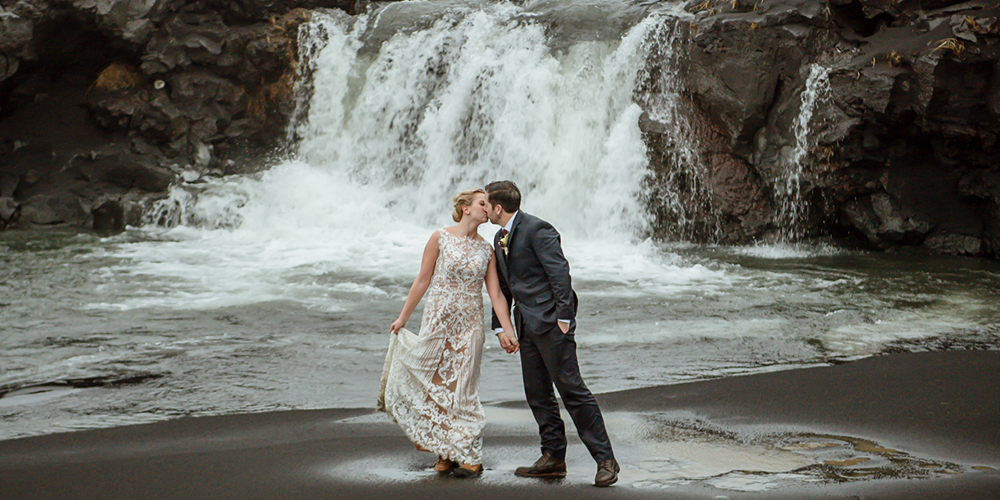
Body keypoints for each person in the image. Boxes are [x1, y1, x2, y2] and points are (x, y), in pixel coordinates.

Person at [485, 180, 620, 487]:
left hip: (551, 322)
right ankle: (553, 458)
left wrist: (564, 318)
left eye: (487, 204)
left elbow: (559, 272)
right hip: (525, 325)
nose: (485, 209)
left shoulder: (537, 228)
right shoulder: (499, 237)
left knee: (572, 391)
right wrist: (500, 326)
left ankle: (606, 461)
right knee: (538, 394)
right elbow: (505, 287)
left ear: (498, 207)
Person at [378, 188, 519, 478]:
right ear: (466, 208)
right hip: (437, 324)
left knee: (464, 391)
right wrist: (403, 317)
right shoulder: (439, 237)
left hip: (469, 327)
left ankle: (471, 456)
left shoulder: (486, 250)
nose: (487, 207)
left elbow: (496, 294)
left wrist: (508, 329)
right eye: (482, 203)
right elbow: (422, 280)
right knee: (438, 391)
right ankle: (445, 452)